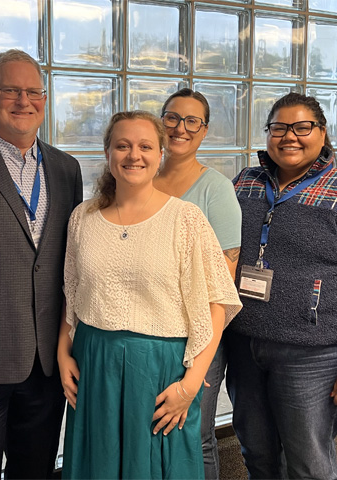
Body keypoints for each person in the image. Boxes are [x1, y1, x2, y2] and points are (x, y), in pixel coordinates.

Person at [58, 110, 242, 479]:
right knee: (100, 464)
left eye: (145, 146)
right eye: (122, 146)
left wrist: (191, 386)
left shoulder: (186, 219)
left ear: (160, 154)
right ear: (107, 153)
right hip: (95, 363)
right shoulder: (83, 218)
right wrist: (63, 354)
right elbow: (73, 295)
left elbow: (218, 305)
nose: (133, 155)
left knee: (160, 466)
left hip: (162, 370)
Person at [0, 49, 83, 480]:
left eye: (33, 91)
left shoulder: (65, 168)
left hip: (46, 359)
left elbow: (73, 260)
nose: (24, 100)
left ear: (45, 98)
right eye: (10, 90)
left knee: (34, 470)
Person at [226, 92, 337, 479]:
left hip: (311, 353)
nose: (290, 136)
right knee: (256, 454)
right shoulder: (245, 181)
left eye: (302, 127)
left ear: (322, 132)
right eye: (279, 127)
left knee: (308, 462)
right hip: (244, 341)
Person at [154, 88, 241, 479]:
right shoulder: (141, 177)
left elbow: (224, 282)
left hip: (199, 337)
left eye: (192, 121)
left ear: (204, 131)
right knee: (156, 429)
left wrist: (203, 353)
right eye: (172, 117)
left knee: (194, 434)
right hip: (150, 334)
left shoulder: (215, 190)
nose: (180, 128)